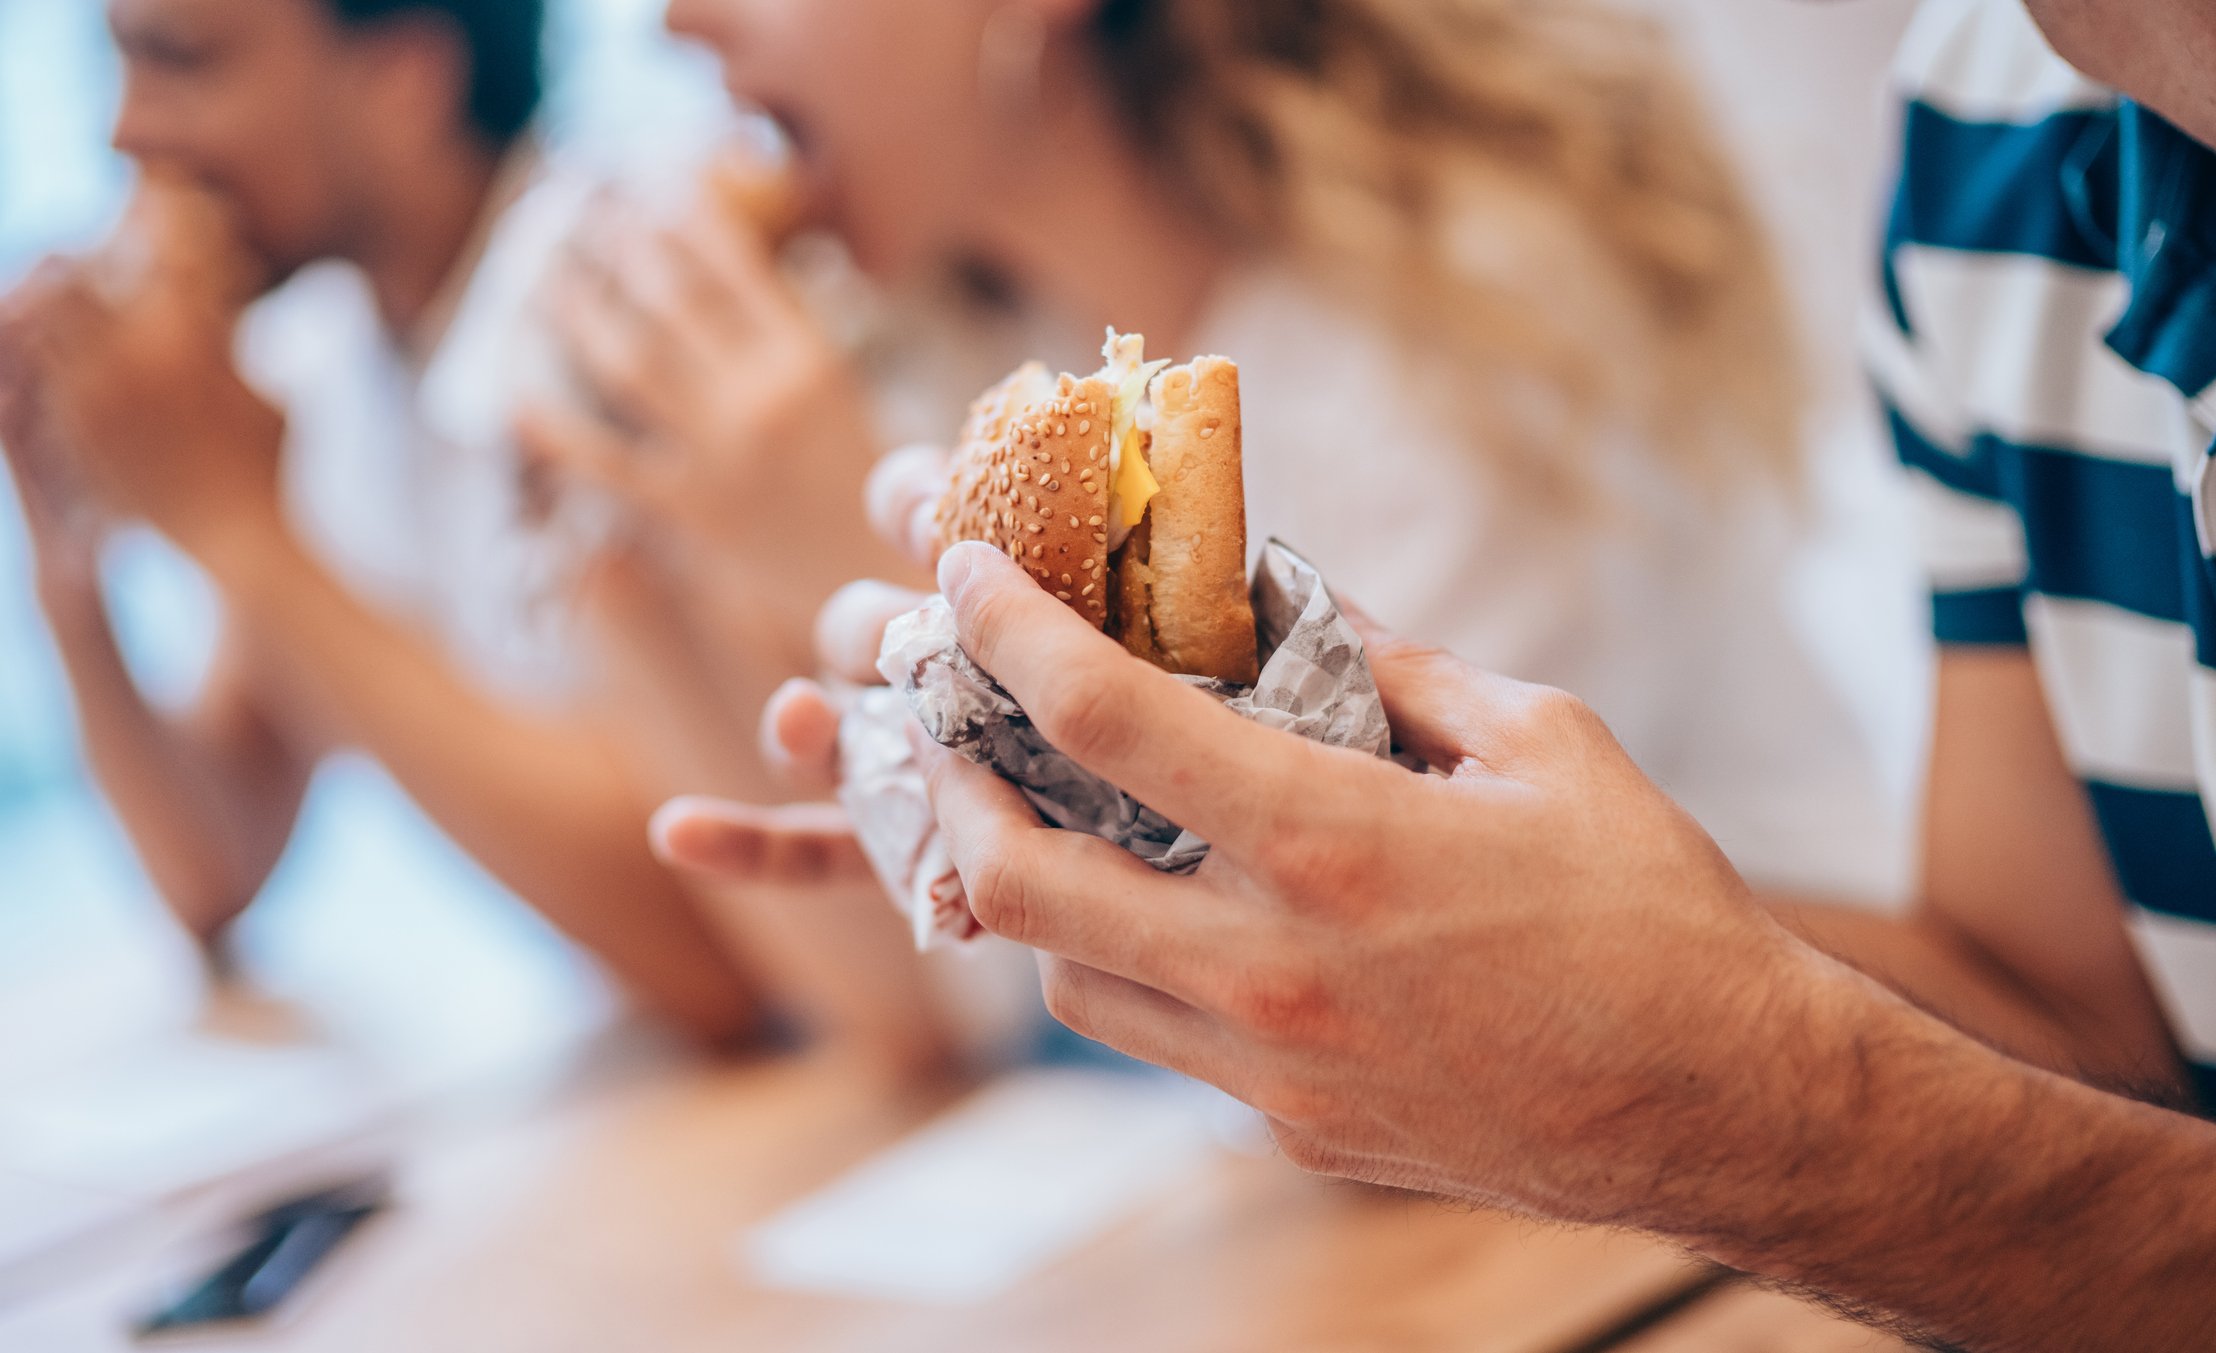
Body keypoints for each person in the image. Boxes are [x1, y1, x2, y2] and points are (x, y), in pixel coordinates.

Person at [673, 0, 2216, 1342]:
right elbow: (2086, 1040)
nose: (676, 20)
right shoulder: (1989, 133)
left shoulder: (1468, 319)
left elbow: (1439, 1013)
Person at [527, 0, 1910, 910]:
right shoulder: (974, 368)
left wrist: (901, 589)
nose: (672, 20)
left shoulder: (1464, 326)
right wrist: (655, 588)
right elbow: (937, 1009)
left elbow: (1398, 979)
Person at [0, 0, 943, 1061]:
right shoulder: (326, 360)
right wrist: (66, 542)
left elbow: (718, 948)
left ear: (406, 78)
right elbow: (213, 864)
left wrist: (235, 526)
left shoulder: (625, 306)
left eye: (180, 63)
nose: (126, 131)